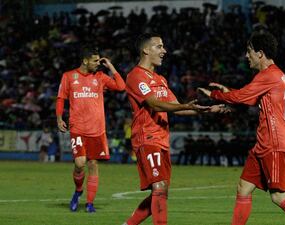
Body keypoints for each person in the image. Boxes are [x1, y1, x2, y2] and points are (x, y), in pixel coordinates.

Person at [198, 31, 285, 225]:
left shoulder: (270, 75)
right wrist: (230, 92)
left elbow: (241, 97)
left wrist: (215, 95)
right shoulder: (274, 76)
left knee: (279, 196)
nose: (246, 56)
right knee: (243, 187)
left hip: (274, 143)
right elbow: (249, 98)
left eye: (249, 51)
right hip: (264, 143)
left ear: (260, 53)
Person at [123, 32, 229, 225]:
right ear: (146, 50)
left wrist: (206, 110)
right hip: (147, 138)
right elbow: (154, 104)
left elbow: (177, 107)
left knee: (161, 192)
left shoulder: (161, 80)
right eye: (159, 46)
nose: (164, 51)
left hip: (162, 141)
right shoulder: (135, 76)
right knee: (160, 188)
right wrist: (185, 106)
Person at [56, 47, 126, 213]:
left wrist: (111, 67)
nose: (98, 63)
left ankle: (89, 203)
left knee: (93, 164)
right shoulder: (68, 76)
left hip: (97, 129)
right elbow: (61, 99)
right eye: (95, 60)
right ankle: (78, 190)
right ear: (85, 60)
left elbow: (121, 87)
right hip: (78, 127)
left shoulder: (100, 77)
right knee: (80, 163)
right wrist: (59, 118)